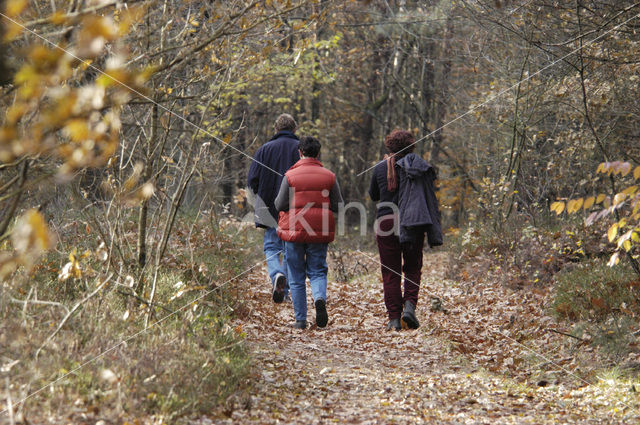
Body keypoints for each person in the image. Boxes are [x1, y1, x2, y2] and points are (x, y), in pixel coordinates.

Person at [369, 129, 442, 331]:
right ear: (411, 146)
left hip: (386, 222)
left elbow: (373, 195)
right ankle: (409, 307)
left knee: (390, 271)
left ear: (389, 146)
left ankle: (394, 319)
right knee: (412, 267)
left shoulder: (380, 168)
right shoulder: (420, 167)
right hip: (413, 221)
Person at [274, 136, 343, 329]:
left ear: (300, 152)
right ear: (318, 153)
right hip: (319, 231)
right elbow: (338, 205)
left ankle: (300, 320)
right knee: (318, 270)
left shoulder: (290, 176)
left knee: (295, 275)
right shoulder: (329, 176)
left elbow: (279, 204)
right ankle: (319, 299)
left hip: (294, 231)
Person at [247, 114, 300, 303]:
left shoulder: (264, 150)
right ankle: (283, 290)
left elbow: (252, 180)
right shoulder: (302, 149)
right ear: (294, 130)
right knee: (288, 248)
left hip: (268, 206)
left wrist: (257, 199)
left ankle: (276, 275)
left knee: (271, 246)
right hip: (295, 207)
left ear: (275, 130)